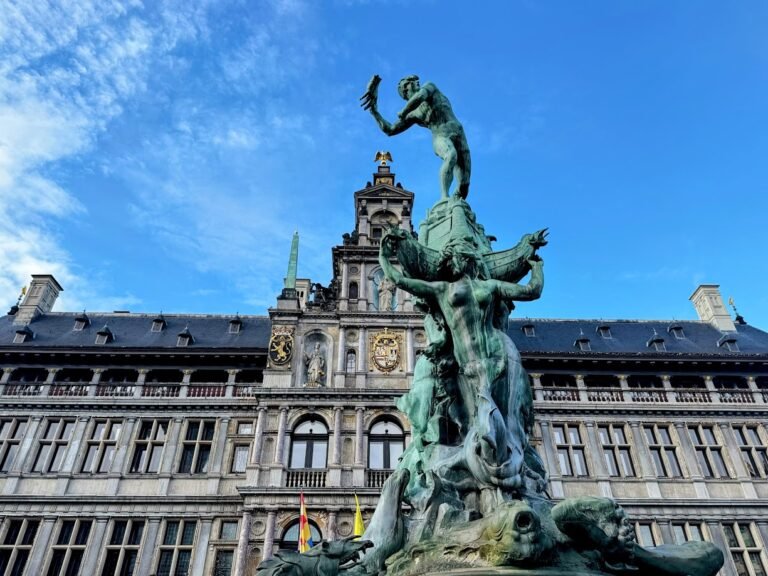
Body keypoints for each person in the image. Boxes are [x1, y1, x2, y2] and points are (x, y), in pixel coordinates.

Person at [379, 234, 544, 491]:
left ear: (465, 262)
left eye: (456, 257)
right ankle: (490, 481)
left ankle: (506, 481)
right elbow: (399, 280)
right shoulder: (446, 289)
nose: (451, 261)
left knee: (502, 425)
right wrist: (381, 252)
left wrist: (536, 266)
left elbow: (532, 292)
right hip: (470, 364)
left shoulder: (481, 287)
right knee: (478, 427)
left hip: (496, 356)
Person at [361, 75, 471, 200]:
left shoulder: (430, 87)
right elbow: (390, 129)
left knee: (464, 186)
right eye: (411, 82)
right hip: (440, 136)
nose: (417, 82)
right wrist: (374, 111)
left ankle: (456, 207)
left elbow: (420, 97)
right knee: (451, 155)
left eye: (416, 80)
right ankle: (444, 197)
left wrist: (403, 111)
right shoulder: (413, 114)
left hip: (459, 135)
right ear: (405, 90)